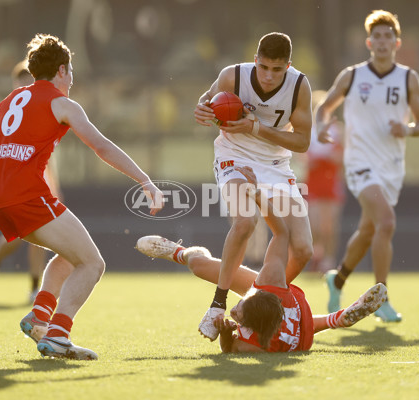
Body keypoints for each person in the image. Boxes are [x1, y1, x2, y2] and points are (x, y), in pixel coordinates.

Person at [0, 34, 163, 360]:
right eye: (72, 71)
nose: (73, 78)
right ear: (62, 70)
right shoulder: (61, 103)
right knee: (93, 264)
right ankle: (59, 334)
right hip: (25, 196)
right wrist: (144, 179)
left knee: (68, 257)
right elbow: (102, 146)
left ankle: (39, 316)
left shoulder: (14, 98)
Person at [136, 166, 386, 353]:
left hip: (300, 329)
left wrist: (225, 333)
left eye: (237, 313)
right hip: (297, 325)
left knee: (199, 264)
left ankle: (337, 319)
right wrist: (256, 194)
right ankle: (176, 251)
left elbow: (232, 347)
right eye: (240, 306)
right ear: (261, 291)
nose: (233, 309)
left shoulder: (258, 343)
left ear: (253, 328)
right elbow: (282, 232)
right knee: (200, 265)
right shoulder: (271, 285)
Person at [193, 32, 314, 341]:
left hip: (275, 165)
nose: (270, 76)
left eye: (277, 69)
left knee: (302, 249)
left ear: (288, 65)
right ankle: (217, 306)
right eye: (264, 67)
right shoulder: (232, 75)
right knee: (246, 223)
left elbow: (302, 142)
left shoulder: (299, 85)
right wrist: (203, 111)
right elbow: (206, 103)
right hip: (233, 156)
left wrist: (256, 128)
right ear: (255, 59)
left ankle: (260, 302)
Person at [315, 10, 419, 322]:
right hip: (359, 162)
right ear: (369, 42)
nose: (382, 42)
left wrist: (405, 129)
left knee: (368, 231)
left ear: (397, 42)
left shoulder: (408, 78)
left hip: (391, 166)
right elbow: (325, 107)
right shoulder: (352, 76)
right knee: (387, 223)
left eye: (387, 37)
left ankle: (336, 280)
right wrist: (321, 126)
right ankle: (382, 298)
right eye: (376, 37)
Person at [0, 60, 60, 303]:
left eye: (29, 79)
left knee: (40, 235)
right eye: (21, 80)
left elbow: (47, 154)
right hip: (9, 183)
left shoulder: (39, 108)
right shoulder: (6, 108)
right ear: (14, 83)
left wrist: (55, 185)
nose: (25, 84)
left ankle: (34, 288)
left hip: (34, 182)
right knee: (17, 236)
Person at [304, 91, 346, 275]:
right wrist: (311, 159)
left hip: (331, 182)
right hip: (313, 182)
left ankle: (328, 262)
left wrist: (331, 157)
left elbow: (341, 156)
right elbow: (302, 157)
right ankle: (316, 256)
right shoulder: (308, 132)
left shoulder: (338, 131)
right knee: (313, 225)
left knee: (329, 226)